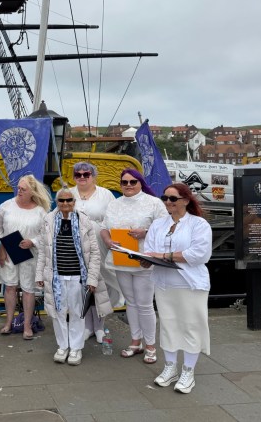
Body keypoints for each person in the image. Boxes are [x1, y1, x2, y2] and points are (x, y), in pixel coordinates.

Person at [142, 183, 212, 394]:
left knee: (191, 326)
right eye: (165, 198)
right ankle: (170, 367)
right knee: (168, 325)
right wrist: (145, 259)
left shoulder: (199, 224)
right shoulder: (158, 224)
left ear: (186, 201)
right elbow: (149, 249)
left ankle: (188, 371)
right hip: (164, 283)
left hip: (190, 283)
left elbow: (199, 254)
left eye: (173, 198)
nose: (168, 202)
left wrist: (164, 256)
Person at [35, 187, 112, 366]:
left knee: (78, 313)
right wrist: (39, 274)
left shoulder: (84, 221)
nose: (65, 204)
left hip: (78, 276)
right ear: (57, 202)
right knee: (58, 312)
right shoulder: (48, 220)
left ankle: (76, 348)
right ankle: (62, 346)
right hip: (56, 276)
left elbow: (94, 253)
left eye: (69, 200)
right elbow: (43, 252)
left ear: (74, 202)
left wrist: (92, 279)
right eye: (61, 201)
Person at [100, 168, 168, 364]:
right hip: (121, 258)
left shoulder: (154, 203)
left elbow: (165, 228)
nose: (128, 185)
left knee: (145, 304)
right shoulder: (114, 203)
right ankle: (135, 341)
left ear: (140, 182)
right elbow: (104, 227)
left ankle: (151, 345)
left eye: (132, 182)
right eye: (124, 182)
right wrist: (107, 241)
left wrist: (145, 232)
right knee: (130, 302)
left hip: (144, 259)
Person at [69, 161, 121, 343]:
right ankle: (87, 325)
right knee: (82, 285)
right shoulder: (68, 194)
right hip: (75, 245)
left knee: (99, 285)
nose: (82, 177)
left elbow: (114, 219)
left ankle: (99, 325)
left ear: (93, 176)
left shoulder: (105, 195)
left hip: (99, 244)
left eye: (86, 174)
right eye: (78, 174)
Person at [0, 174, 49, 339]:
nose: (19, 191)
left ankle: (27, 325)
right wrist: (1, 250)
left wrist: (32, 241)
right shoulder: (6, 206)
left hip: (30, 255)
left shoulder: (41, 212)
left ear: (32, 191)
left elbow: (45, 234)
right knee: (10, 287)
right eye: (18, 188)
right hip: (9, 252)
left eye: (23, 189)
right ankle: (9, 322)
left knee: (28, 289)